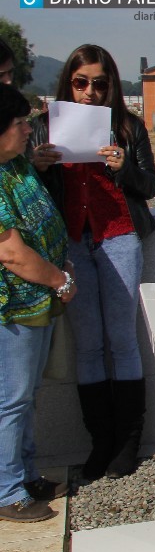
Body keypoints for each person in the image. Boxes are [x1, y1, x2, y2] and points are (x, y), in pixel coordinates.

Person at [29, 44, 155, 481]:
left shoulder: (127, 127)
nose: (89, 92)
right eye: (81, 82)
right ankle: (99, 442)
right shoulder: (42, 128)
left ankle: (128, 441)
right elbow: (24, 188)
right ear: (68, 82)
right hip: (71, 242)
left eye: (100, 83)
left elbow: (151, 185)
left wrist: (123, 167)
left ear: (111, 86)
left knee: (122, 341)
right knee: (87, 344)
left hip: (119, 236)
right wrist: (39, 166)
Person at [0, 83, 77, 521]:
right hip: (12, 307)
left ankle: (26, 475)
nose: (28, 129)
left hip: (38, 302)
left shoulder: (15, 166)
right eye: (19, 123)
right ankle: (7, 490)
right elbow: (11, 253)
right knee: (11, 400)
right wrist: (61, 280)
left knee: (26, 397)